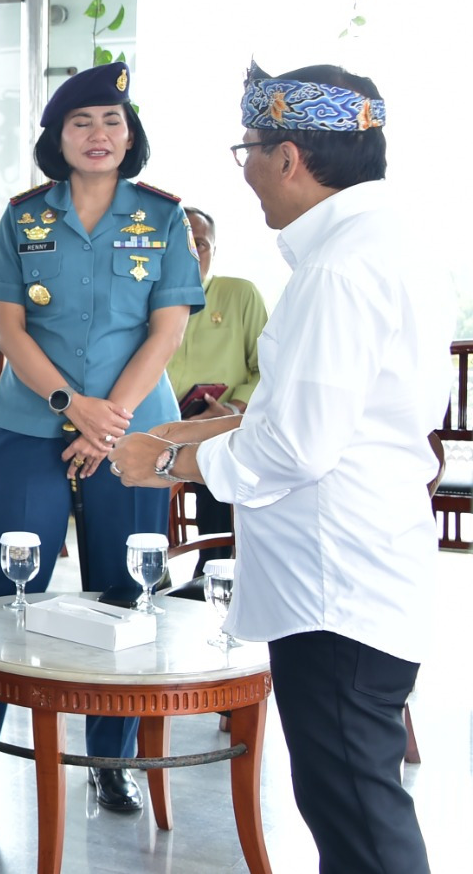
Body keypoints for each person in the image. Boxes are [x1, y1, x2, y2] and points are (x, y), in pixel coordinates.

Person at [111, 62, 447, 874]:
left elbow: (298, 445)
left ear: (289, 157)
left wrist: (170, 459)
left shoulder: (337, 269)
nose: (248, 171)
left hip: (335, 591)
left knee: (361, 827)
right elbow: (340, 413)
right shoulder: (388, 242)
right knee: (354, 813)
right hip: (365, 572)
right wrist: (209, 429)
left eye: (250, 151)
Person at [0, 61, 204, 813]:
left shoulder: (164, 218)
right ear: (56, 138)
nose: (98, 134)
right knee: (5, 584)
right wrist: (69, 403)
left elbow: (166, 331)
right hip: (32, 425)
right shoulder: (23, 219)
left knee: (128, 589)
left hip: (136, 434)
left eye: (112, 121)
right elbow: (9, 326)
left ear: (131, 134)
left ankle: (110, 758)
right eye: (81, 122)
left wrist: (107, 418)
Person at [165, 206, 268, 568]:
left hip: (220, 426)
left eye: (201, 244)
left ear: (214, 249)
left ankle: (213, 569)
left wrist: (233, 409)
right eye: (181, 242)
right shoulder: (145, 300)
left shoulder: (240, 294)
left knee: (221, 459)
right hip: (159, 427)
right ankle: (150, 573)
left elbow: (267, 370)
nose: (192, 252)